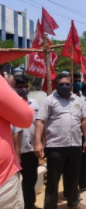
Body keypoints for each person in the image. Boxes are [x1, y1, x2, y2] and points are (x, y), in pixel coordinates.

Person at [35, 72, 86, 209]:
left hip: (75, 145)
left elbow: (83, 120)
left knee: (73, 177)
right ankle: (50, 206)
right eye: (61, 84)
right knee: (53, 179)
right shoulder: (49, 101)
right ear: (56, 85)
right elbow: (40, 122)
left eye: (67, 84)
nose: (65, 86)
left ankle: (73, 203)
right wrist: (38, 142)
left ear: (71, 85)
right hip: (56, 146)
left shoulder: (77, 100)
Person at [0, 75, 34, 209]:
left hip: (28, 149)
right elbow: (25, 118)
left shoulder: (34, 102)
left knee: (31, 179)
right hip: (3, 179)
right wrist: (7, 89)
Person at [11, 75, 41, 209]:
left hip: (31, 148)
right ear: (14, 87)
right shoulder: (10, 103)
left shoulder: (34, 103)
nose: (23, 89)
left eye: (25, 86)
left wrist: (41, 143)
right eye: (19, 86)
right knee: (14, 181)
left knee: (31, 179)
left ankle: (29, 205)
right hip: (14, 151)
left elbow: (40, 124)